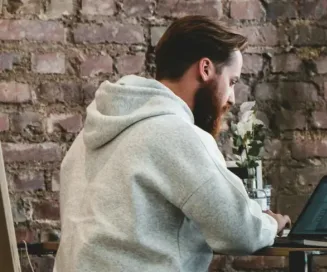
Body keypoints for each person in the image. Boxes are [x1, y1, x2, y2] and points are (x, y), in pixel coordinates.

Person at [54, 15, 291, 272]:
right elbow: (240, 231)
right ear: (206, 69)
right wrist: (271, 224)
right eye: (232, 81)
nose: (232, 98)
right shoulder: (177, 134)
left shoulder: (88, 136)